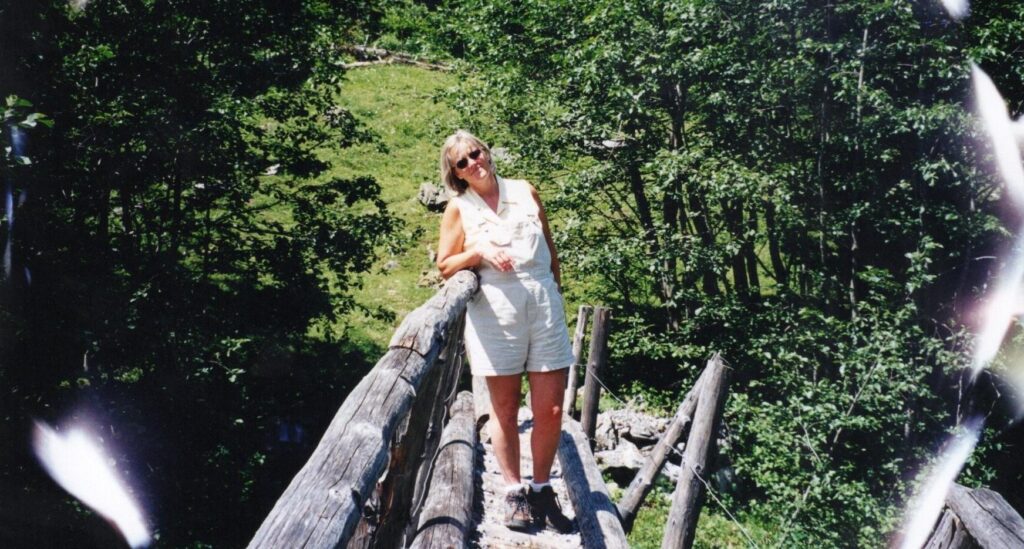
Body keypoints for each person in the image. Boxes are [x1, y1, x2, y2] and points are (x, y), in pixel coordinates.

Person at [435, 130, 575, 534]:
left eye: (475, 153)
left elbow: (550, 250)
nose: (473, 163)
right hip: (495, 311)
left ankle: (543, 488)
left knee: (550, 408)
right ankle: (514, 492)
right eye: (462, 162)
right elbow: (445, 265)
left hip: (543, 304)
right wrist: (477, 253)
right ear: (456, 173)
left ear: (486, 151)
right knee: (506, 409)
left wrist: (555, 295)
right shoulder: (459, 208)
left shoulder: (525, 191)